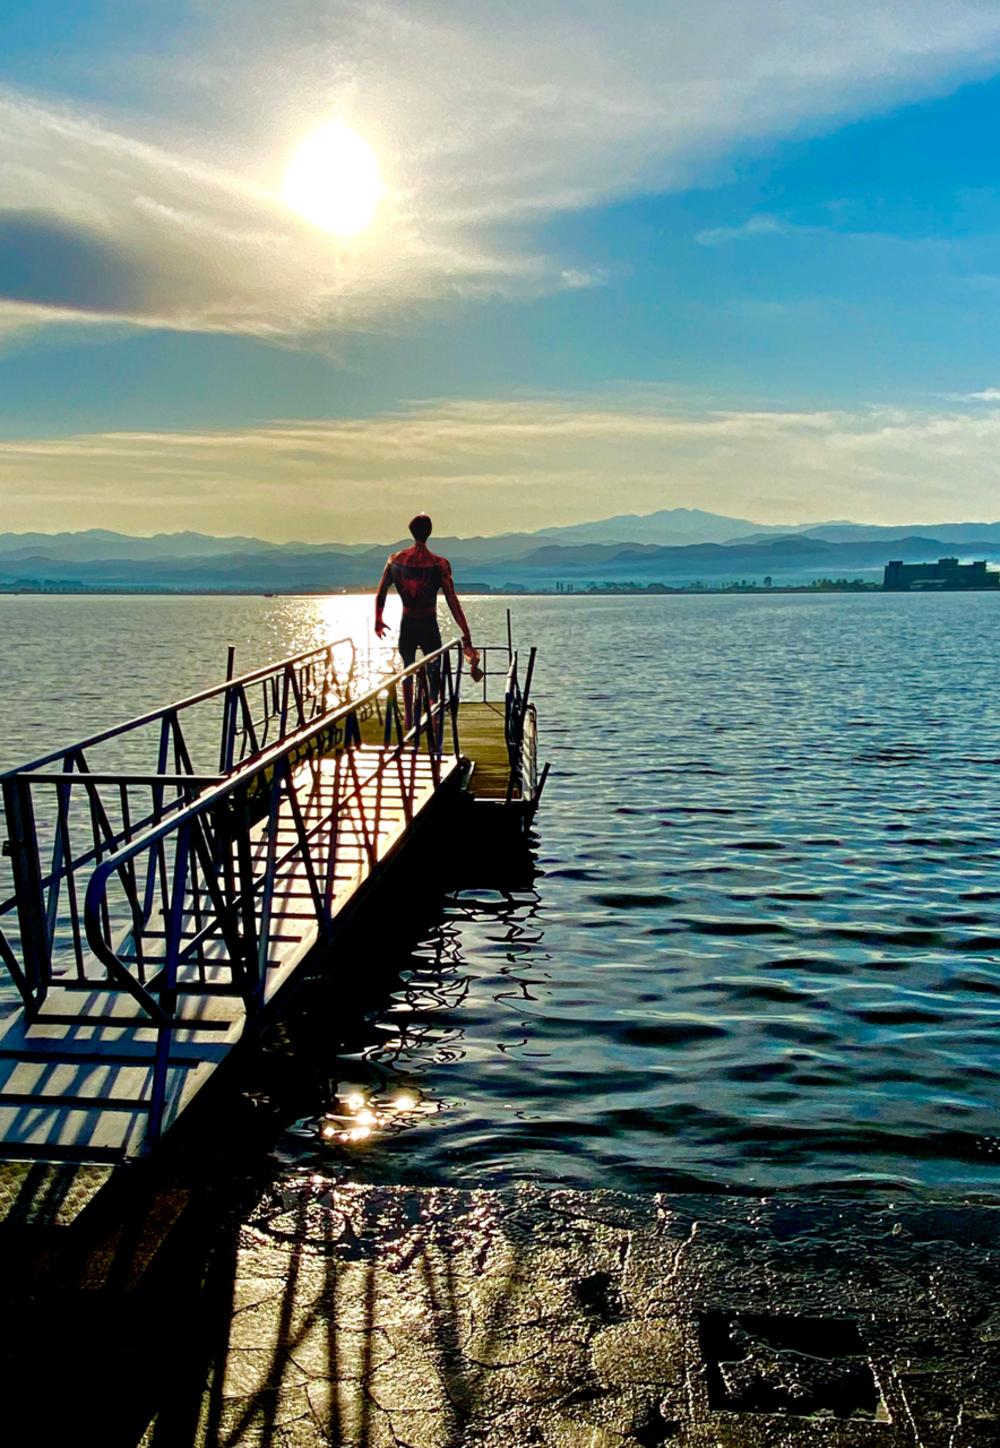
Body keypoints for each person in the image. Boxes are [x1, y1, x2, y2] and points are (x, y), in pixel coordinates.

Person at [374, 514, 480, 726]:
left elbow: (381, 592)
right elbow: (453, 601)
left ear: (411, 531)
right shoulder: (439, 564)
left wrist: (378, 619)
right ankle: (433, 715)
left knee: (407, 668)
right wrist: (466, 633)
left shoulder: (395, 560)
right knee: (434, 671)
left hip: (408, 622)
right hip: (429, 623)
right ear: (429, 532)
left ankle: (409, 719)